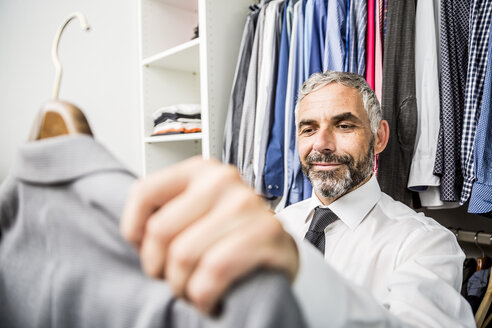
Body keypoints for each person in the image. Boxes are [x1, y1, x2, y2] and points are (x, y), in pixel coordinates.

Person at [121, 71, 475, 327]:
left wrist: (298, 270)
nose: (321, 144)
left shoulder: (425, 245)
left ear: (379, 137)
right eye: (309, 128)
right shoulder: (278, 224)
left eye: (344, 125)